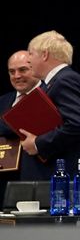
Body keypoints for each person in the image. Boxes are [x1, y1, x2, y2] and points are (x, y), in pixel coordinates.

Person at [23, 30, 80, 179]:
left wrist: (37, 143)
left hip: (62, 177)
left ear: (45, 54)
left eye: (30, 53)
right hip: (50, 173)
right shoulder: (50, 84)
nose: (28, 60)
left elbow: (77, 125)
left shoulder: (66, 80)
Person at [0, 51, 41, 198]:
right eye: (12, 71)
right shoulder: (2, 101)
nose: (17, 76)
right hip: (4, 186)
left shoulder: (50, 98)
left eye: (23, 70)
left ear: (35, 69)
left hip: (38, 183)